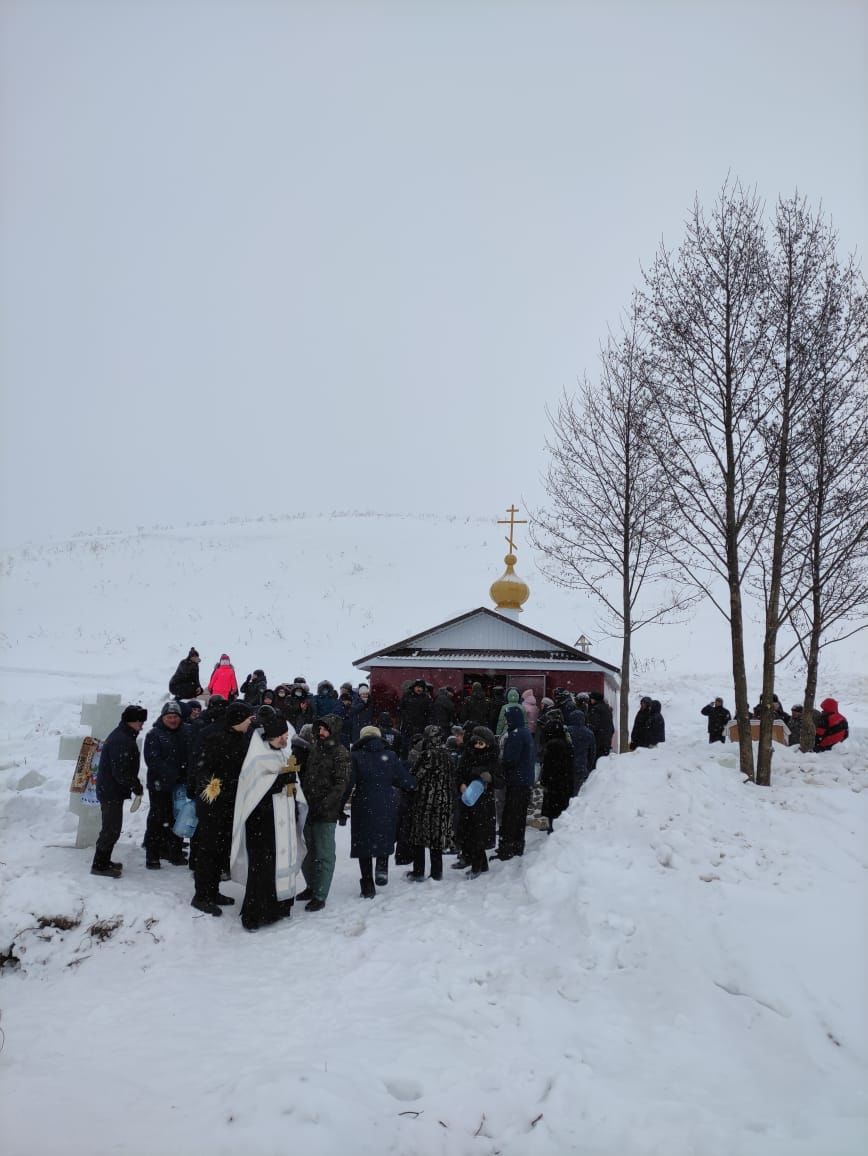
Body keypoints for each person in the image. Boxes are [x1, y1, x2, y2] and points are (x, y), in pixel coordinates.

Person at [230, 713, 307, 931]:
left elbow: (291, 783)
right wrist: (278, 781)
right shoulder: (256, 758)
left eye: (285, 736)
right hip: (261, 825)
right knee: (262, 869)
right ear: (269, 737)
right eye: (280, 737)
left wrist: (292, 785)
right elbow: (253, 794)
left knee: (281, 864)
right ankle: (254, 915)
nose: (285, 740)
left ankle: (279, 908)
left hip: (282, 821)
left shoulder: (282, 754)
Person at [191, 701, 255, 916]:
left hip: (229, 805)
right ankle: (201, 896)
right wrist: (214, 801)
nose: (250, 723)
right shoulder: (216, 740)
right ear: (238, 721)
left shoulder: (240, 738)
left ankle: (213, 890)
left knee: (220, 851)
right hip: (213, 806)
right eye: (248, 720)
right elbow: (206, 774)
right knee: (208, 851)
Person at [345, 725, 416, 897]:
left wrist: (339, 808)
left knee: (364, 843)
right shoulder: (390, 756)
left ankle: (368, 884)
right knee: (384, 835)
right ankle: (382, 868)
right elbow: (406, 781)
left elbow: (348, 784)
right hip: (387, 802)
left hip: (363, 802)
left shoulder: (355, 756)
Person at [297, 715, 351, 911]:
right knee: (307, 851)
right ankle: (311, 886)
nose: (321, 733)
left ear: (333, 730)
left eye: (325, 729)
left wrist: (324, 805)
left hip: (326, 812)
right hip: (308, 809)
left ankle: (320, 894)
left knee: (324, 854)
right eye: (319, 729)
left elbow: (341, 785)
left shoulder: (341, 753)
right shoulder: (315, 750)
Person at [91, 705, 147, 877]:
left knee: (112, 828)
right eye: (140, 722)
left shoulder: (123, 735)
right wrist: (135, 785)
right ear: (132, 721)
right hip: (110, 791)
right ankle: (99, 865)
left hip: (111, 789)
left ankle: (104, 861)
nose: (142, 726)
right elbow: (121, 771)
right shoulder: (121, 740)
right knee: (111, 829)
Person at [143, 700, 190, 869]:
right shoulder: (154, 735)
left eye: (175, 717)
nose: (173, 720)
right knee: (157, 820)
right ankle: (153, 855)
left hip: (180, 786)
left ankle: (175, 852)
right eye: (169, 717)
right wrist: (172, 773)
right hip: (160, 786)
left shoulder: (186, 732)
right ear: (163, 718)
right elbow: (153, 760)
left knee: (178, 819)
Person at [406, 725, 453, 881]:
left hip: (426, 800)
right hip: (444, 800)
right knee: (437, 839)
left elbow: (415, 776)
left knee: (419, 836)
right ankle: (436, 873)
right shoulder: (447, 755)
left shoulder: (427, 755)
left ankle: (418, 871)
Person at [456, 726, 498, 878]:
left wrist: (490, 778)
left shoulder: (492, 758)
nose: (477, 746)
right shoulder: (467, 756)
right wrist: (461, 784)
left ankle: (477, 866)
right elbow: (459, 772)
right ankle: (481, 863)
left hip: (483, 802)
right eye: (476, 743)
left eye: (481, 744)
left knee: (478, 834)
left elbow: (500, 779)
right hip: (467, 799)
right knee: (468, 832)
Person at [494, 706, 535, 860]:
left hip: (516, 781)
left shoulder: (516, 735)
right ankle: (517, 846)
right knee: (519, 816)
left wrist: (499, 766)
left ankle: (507, 849)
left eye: (508, 718)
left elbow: (510, 759)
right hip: (524, 781)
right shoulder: (525, 733)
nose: (506, 721)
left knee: (510, 815)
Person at [539, 716, 574, 833]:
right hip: (565, 781)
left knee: (553, 808)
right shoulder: (567, 744)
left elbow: (548, 766)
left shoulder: (552, 745)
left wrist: (544, 780)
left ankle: (553, 830)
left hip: (553, 783)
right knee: (562, 806)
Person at [565, 707, 596, 795]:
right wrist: (589, 766)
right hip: (581, 765)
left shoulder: (567, 731)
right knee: (578, 790)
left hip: (568, 764)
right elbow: (592, 752)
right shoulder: (589, 733)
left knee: (567, 789)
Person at [587, 692, 615, 759]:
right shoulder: (607, 708)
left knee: (596, 763)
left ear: (595, 699)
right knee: (603, 763)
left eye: (591, 698)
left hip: (598, 742)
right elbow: (611, 727)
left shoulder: (595, 709)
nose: (590, 700)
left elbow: (594, 726)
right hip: (606, 741)